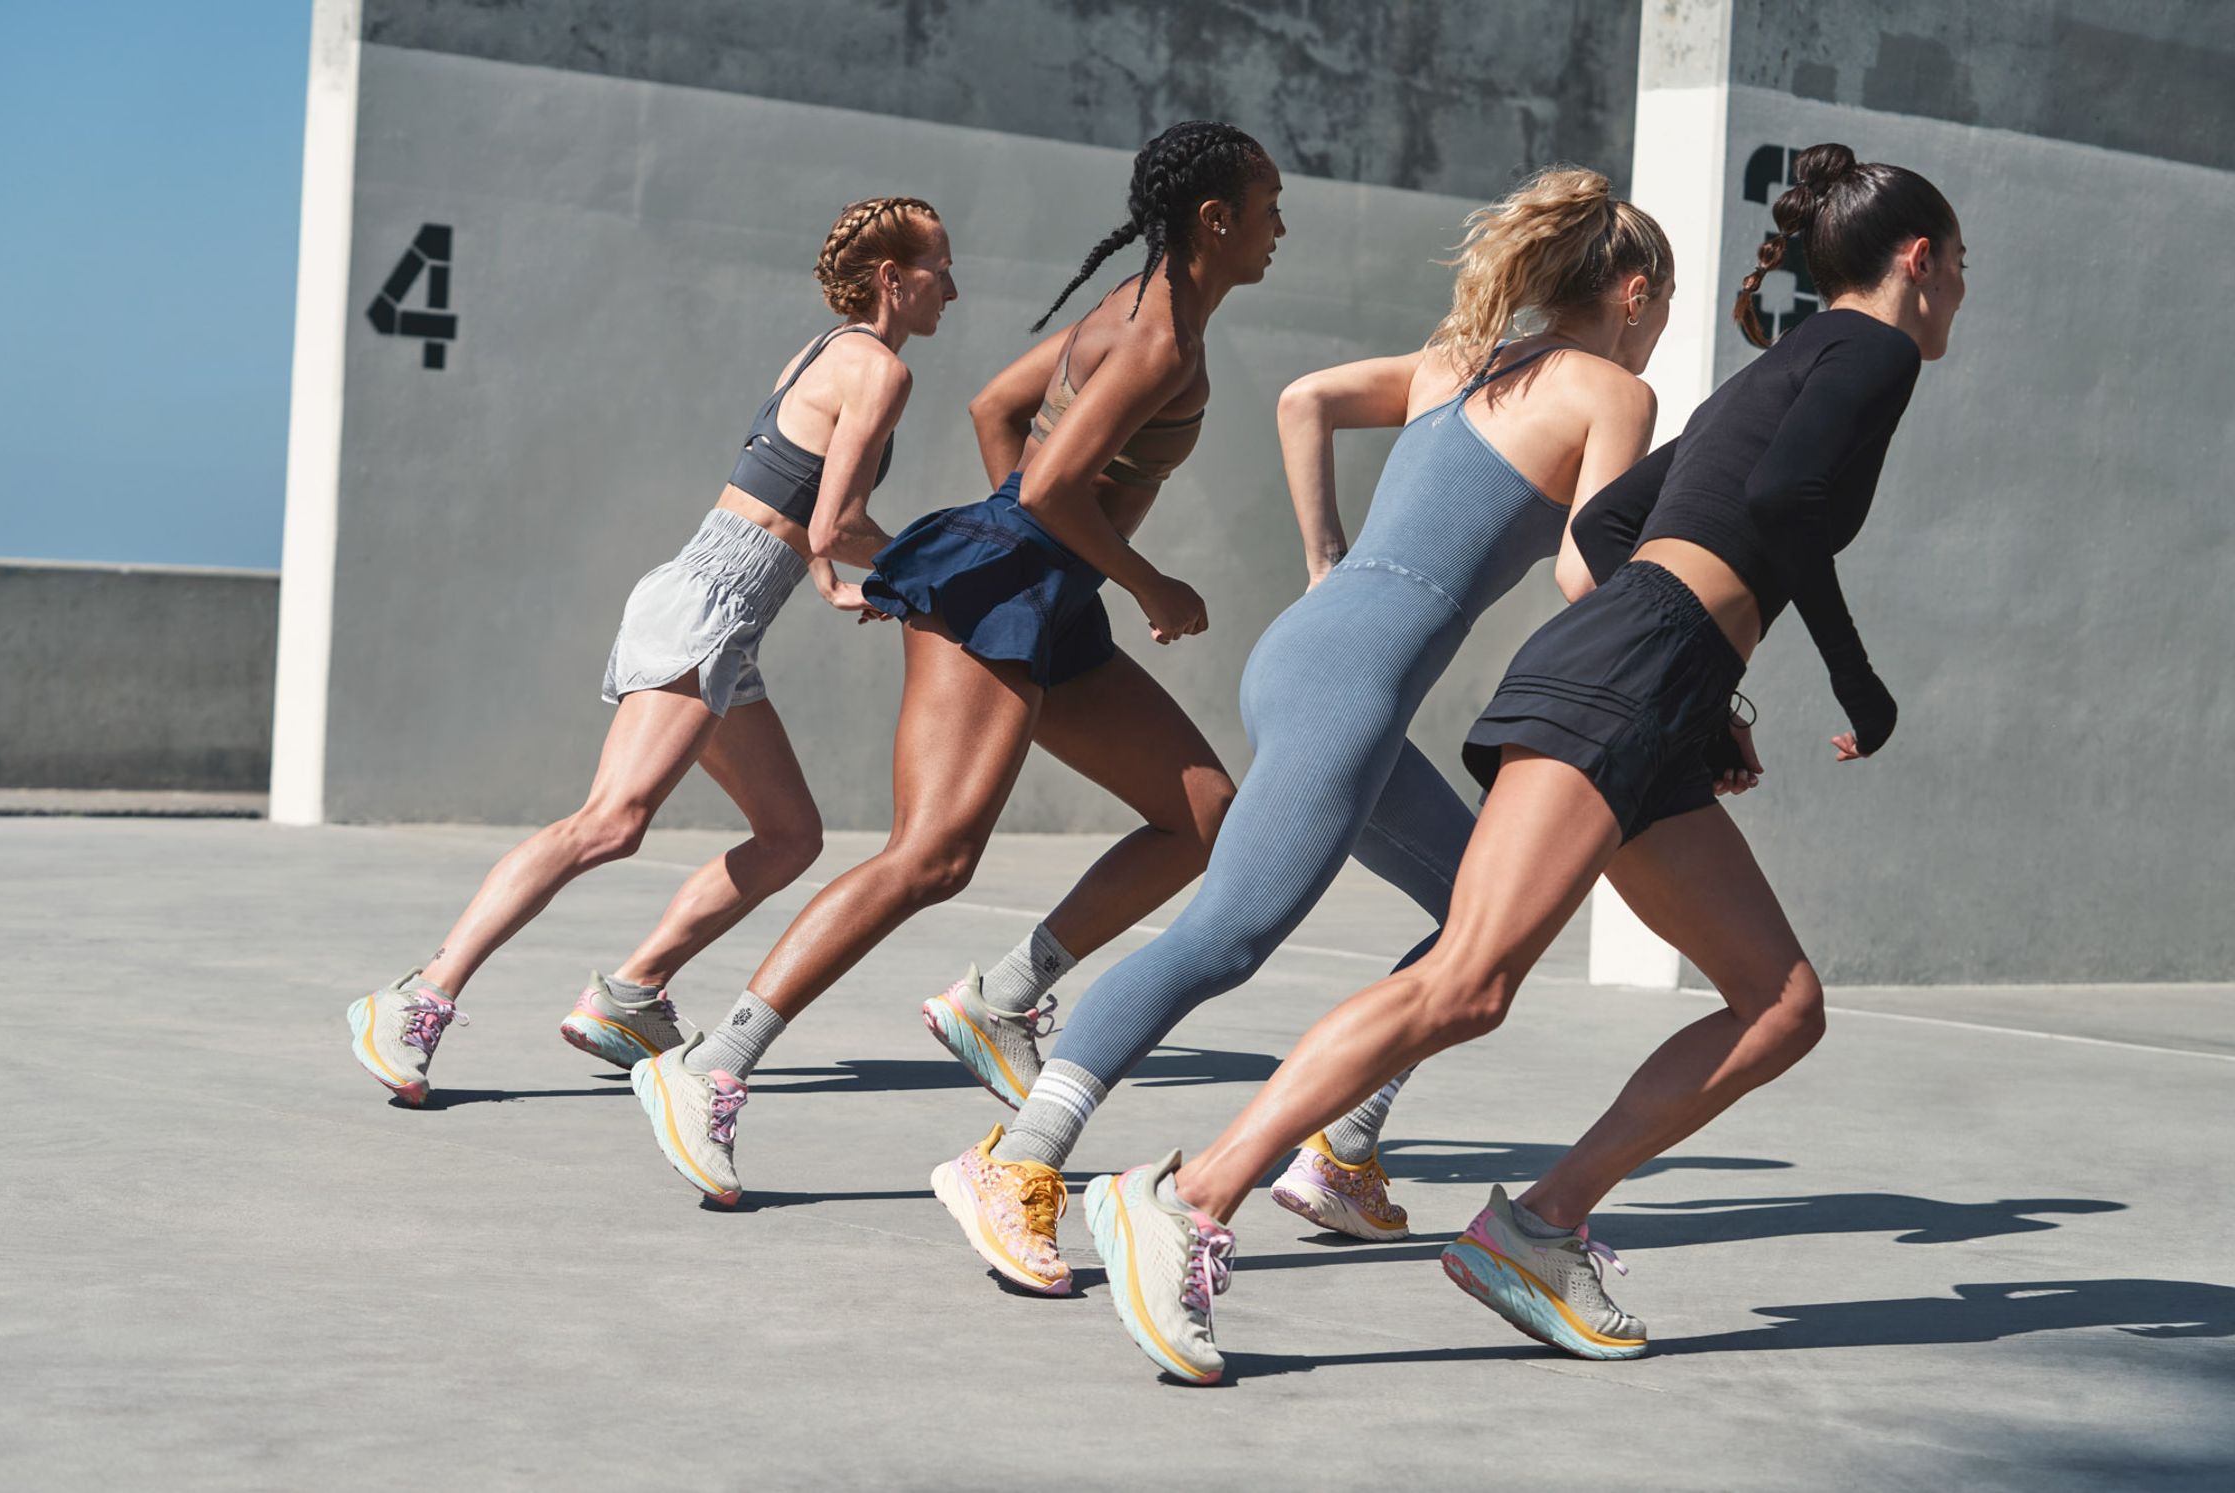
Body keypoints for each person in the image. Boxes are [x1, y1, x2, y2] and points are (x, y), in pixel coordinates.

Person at [1087, 142, 1965, 1382]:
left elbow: (1611, 526)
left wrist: (1703, 689)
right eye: (1958, 271)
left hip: (1649, 679)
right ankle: (1187, 1192)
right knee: (1467, 979)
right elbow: (1779, 509)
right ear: (1916, 260)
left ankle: (1536, 1228)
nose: (1956, 300)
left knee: (1777, 1005)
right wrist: (1854, 682)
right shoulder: (1868, 350)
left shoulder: (1777, 368)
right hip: (1632, 673)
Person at [931, 168, 1677, 1297]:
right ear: (1632, 292)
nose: (1658, 336)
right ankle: (1013, 1160)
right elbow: (1584, 571)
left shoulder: (1456, 362)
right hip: (1352, 681)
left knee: (1478, 914)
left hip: (1308, 646)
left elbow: (1303, 399)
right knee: (1224, 937)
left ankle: (1344, 1150)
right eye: (1661, 313)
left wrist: (1326, 561)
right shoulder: (1610, 394)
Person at [629, 122, 1280, 1208]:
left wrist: (1044, 552)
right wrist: (1142, 581)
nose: (1277, 232)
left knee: (1203, 812)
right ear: (1213, 219)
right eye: (1267, 209)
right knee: (930, 856)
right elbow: (1044, 491)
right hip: (1008, 583)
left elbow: (999, 412)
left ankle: (1005, 991)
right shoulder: (1155, 334)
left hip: (1039, 584)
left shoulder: (1130, 307)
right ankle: (710, 1061)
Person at [344, 197, 955, 1105]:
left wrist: (837, 579)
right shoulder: (875, 369)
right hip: (705, 606)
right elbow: (835, 518)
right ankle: (417, 997)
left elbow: (807, 520)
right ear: (891, 279)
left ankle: (630, 997)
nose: (955, 286)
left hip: (719, 612)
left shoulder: (822, 354)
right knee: (610, 821)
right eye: (942, 266)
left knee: (791, 835)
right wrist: (936, 565)